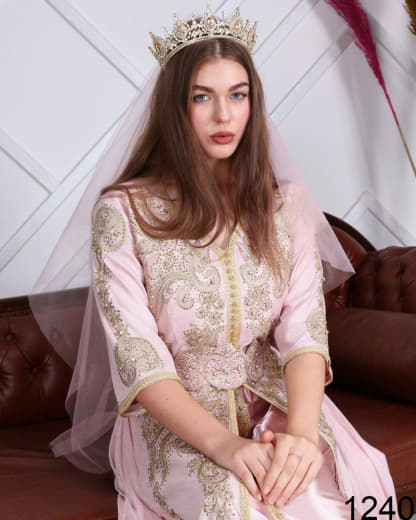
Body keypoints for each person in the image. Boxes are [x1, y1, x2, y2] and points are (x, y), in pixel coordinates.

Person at [30, 6, 397, 520]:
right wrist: (226, 446)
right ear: (175, 108)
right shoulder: (124, 213)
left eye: (237, 95)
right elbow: (139, 356)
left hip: (277, 402)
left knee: (331, 495)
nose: (224, 115)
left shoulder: (285, 205)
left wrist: (301, 435)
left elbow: (304, 331)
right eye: (202, 97)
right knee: (234, 503)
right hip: (175, 425)